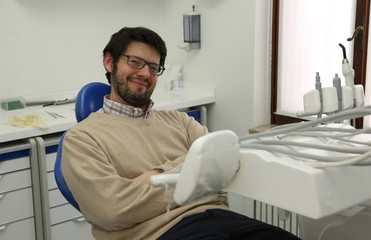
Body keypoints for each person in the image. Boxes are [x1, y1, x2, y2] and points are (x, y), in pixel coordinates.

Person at [62, 26, 301, 240]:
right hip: (160, 232)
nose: (145, 74)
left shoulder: (179, 120)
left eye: (154, 67)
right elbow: (112, 209)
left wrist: (155, 174)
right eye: (135, 62)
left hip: (225, 219)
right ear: (109, 62)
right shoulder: (82, 139)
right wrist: (193, 168)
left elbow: (222, 166)